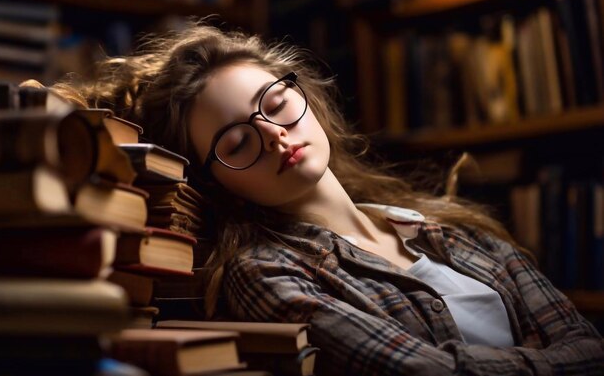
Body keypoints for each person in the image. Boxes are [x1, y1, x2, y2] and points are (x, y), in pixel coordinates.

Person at [54, 20, 604, 375]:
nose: (273, 135)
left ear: (304, 98)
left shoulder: (447, 231)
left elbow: (590, 344)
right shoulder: (265, 274)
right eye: (238, 142)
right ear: (217, 180)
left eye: (274, 103)